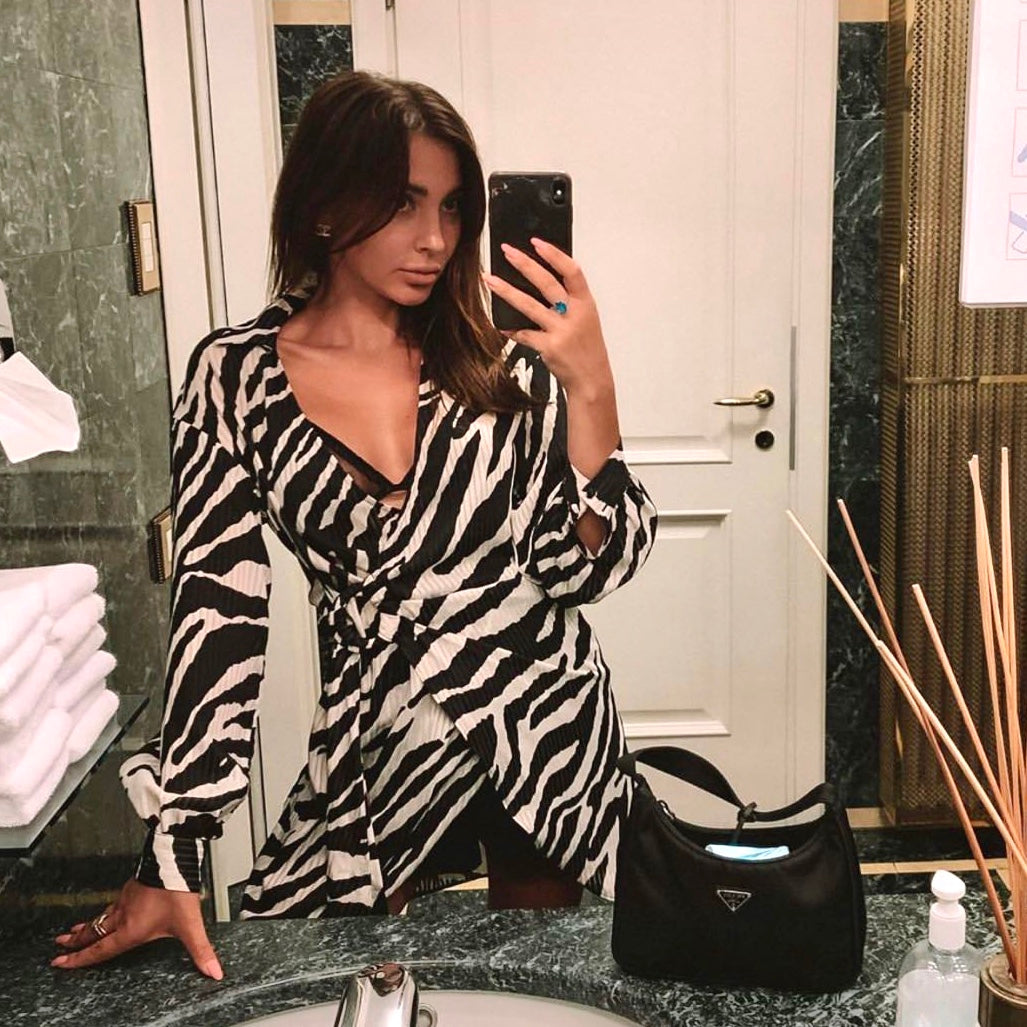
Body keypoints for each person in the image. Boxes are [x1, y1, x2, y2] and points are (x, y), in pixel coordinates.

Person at [51, 70, 657, 979]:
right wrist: (173, 853)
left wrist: (592, 386)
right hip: (378, 741)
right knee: (340, 975)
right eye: (403, 203)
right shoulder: (234, 378)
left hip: (539, 721)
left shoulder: (499, 361)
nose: (435, 238)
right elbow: (220, 612)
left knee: (544, 979)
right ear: (326, 206)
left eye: (451, 207)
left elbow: (580, 574)